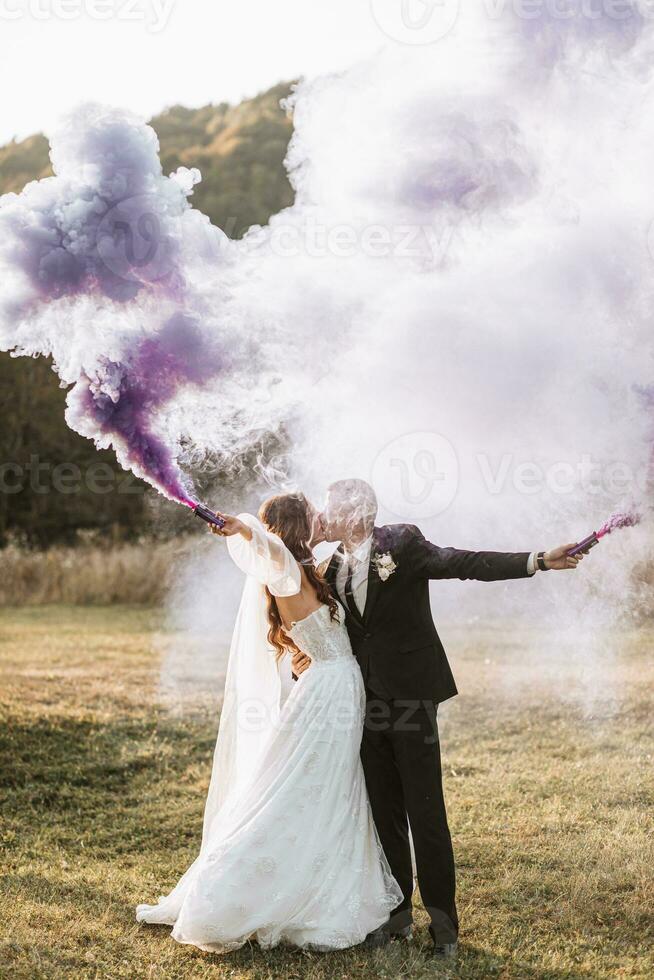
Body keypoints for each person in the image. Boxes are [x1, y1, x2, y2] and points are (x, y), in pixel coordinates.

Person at [292, 478, 584, 957]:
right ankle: (397, 914)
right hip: (364, 704)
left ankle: (444, 926)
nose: (322, 516)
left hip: (411, 698)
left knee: (425, 812)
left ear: (357, 512)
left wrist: (536, 560)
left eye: (329, 509)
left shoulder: (401, 542)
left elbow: (462, 562)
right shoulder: (330, 564)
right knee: (384, 812)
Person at [136, 492, 402, 953]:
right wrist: (241, 528)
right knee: (304, 788)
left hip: (335, 689)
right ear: (298, 526)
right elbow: (269, 545)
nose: (323, 517)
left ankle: (316, 879)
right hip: (327, 693)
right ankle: (239, 892)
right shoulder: (282, 569)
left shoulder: (304, 570)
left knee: (330, 787)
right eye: (314, 515)